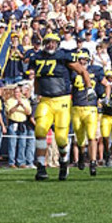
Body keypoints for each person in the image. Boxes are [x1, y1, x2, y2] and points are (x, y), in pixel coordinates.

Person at [29, 32, 91, 181]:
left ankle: (64, 163)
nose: (51, 45)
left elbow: (82, 71)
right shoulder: (37, 58)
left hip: (62, 100)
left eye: (53, 42)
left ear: (57, 44)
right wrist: (35, 93)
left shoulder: (63, 56)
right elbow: (37, 77)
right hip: (45, 100)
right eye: (48, 42)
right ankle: (41, 167)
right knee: (40, 130)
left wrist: (89, 88)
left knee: (62, 138)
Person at [71, 50, 104, 176]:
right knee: (80, 139)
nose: (82, 61)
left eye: (84, 59)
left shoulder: (96, 71)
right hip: (77, 107)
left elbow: (106, 84)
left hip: (91, 108)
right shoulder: (72, 72)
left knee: (92, 136)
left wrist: (105, 97)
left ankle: (93, 162)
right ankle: (81, 155)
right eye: (80, 59)